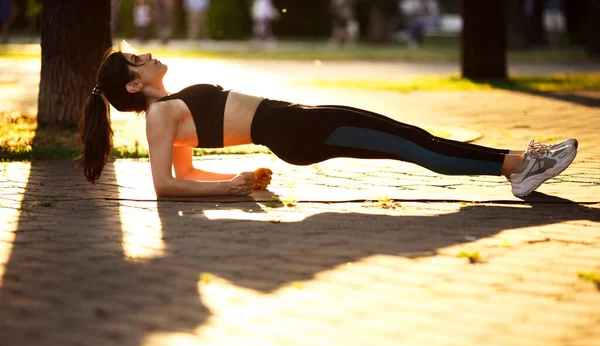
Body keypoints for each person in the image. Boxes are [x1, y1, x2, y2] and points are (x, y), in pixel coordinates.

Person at [79, 51, 578, 198]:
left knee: (410, 140)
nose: (145, 55)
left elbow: (183, 175)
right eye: (134, 62)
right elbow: (167, 185)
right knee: (414, 144)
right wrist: (230, 186)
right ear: (132, 86)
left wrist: (238, 180)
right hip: (295, 132)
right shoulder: (162, 114)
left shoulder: (166, 109)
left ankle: (517, 165)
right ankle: (519, 166)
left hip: (296, 126)